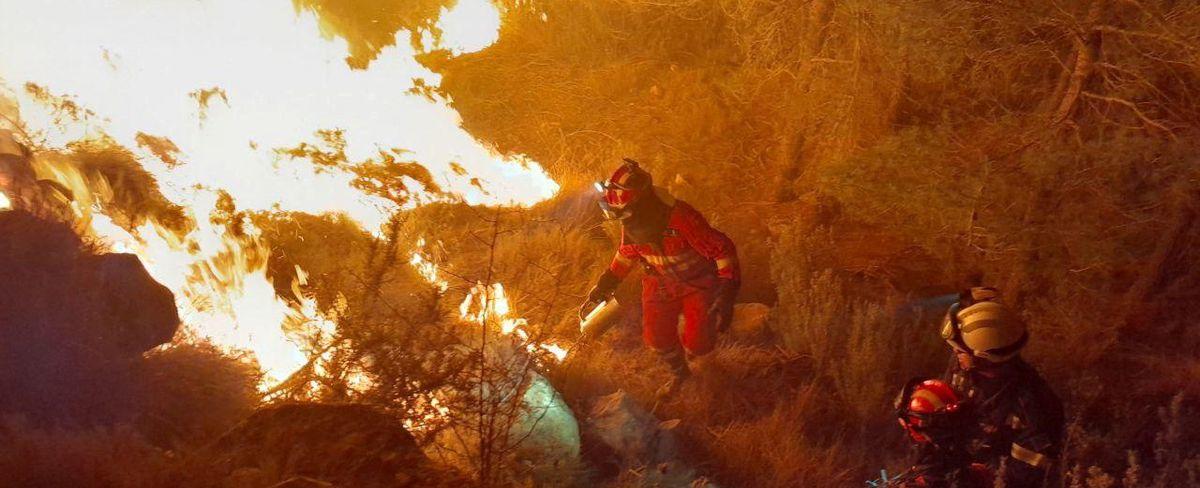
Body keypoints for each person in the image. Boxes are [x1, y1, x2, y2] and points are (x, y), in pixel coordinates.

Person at [580, 159, 739, 398]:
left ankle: (705, 369)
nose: (623, 219)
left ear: (642, 203)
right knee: (657, 337)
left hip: (696, 282)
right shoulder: (633, 223)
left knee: (698, 342)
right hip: (659, 284)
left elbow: (722, 250)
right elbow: (625, 256)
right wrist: (605, 285)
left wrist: (726, 294)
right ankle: (680, 374)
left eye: (624, 212)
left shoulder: (682, 218)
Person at [897, 287, 1064, 487]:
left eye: (959, 351)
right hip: (962, 457)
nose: (955, 353)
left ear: (984, 359)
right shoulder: (970, 366)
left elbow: (1019, 480)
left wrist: (967, 475)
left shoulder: (1035, 411)